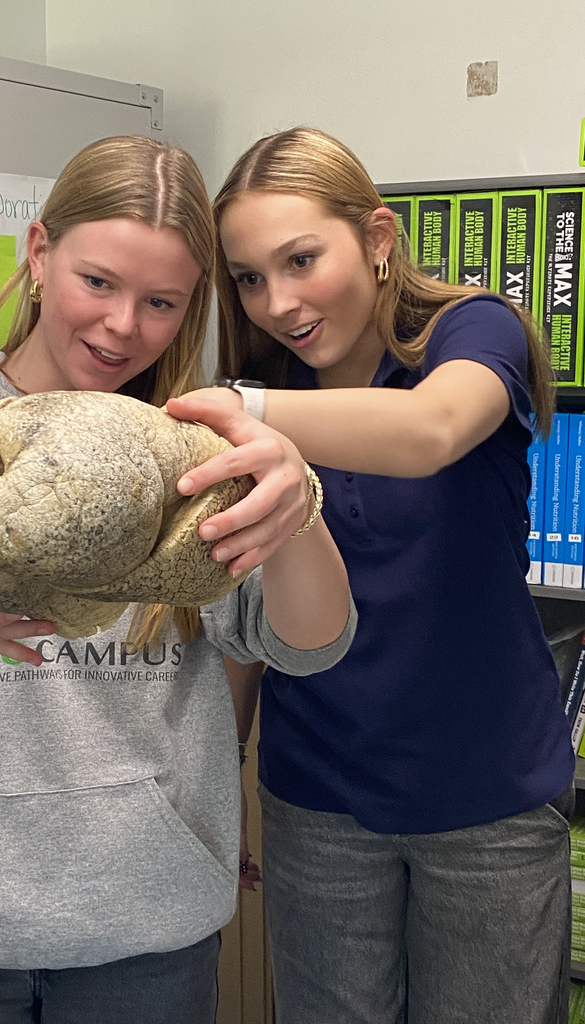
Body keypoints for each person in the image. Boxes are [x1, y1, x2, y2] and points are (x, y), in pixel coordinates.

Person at [0, 134, 357, 1024]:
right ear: (39, 252)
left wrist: (296, 506)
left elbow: (312, 645)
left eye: (160, 302)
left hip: (146, 943)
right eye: (97, 282)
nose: (121, 326)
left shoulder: (195, 453)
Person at [169, 126, 575, 1024]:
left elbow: (431, 432)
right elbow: (247, 612)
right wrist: (229, 772)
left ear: (379, 239)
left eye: (302, 260)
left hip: (488, 798)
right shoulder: (269, 384)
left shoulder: (471, 332)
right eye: (248, 278)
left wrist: (245, 413)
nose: (278, 301)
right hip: (319, 801)